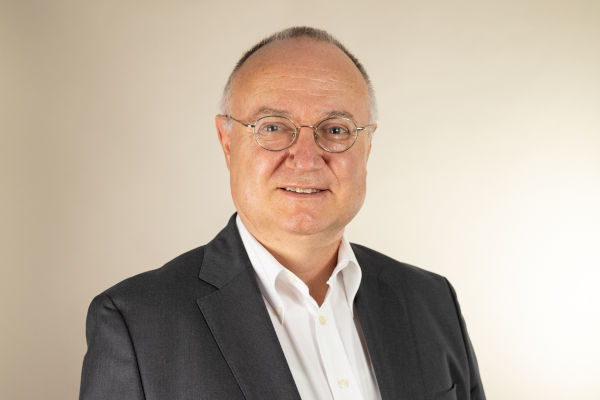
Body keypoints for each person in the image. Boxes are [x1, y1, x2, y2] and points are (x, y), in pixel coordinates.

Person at [79, 26, 486, 400]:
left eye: (336, 129)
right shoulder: (136, 324)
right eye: (272, 127)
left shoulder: (432, 302)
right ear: (226, 141)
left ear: (368, 147)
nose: (306, 159)